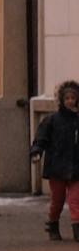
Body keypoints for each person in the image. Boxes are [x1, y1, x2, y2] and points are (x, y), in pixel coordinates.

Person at [30, 81, 79, 241]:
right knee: (57, 200)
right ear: (62, 101)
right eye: (68, 98)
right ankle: (52, 224)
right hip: (57, 167)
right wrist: (37, 151)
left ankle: (77, 229)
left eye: (73, 98)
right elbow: (41, 138)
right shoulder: (52, 120)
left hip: (76, 167)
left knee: (75, 199)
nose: (71, 101)